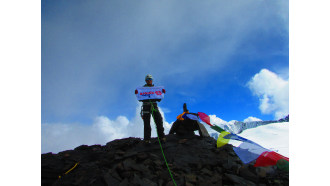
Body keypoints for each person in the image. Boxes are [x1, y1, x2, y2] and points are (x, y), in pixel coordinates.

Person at [137, 74, 166, 144]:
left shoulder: (155, 89)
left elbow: (158, 99)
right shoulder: (142, 89)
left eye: (150, 79)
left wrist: (162, 93)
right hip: (146, 106)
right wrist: (137, 93)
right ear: (145, 81)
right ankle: (147, 139)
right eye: (147, 79)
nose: (149, 80)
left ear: (152, 80)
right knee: (147, 123)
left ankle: (161, 137)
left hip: (154, 106)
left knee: (159, 120)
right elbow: (140, 99)